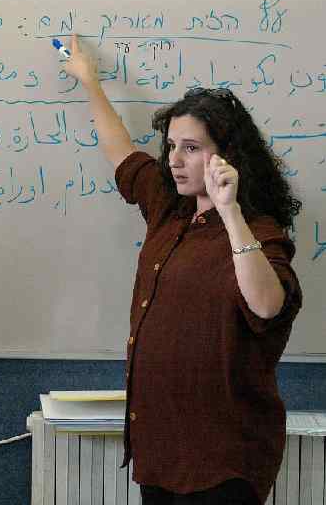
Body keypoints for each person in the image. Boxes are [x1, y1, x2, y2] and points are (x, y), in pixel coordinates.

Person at [64, 36, 302, 505]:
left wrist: (230, 212)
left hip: (223, 461)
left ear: (226, 156)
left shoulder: (258, 230)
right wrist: (90, 81)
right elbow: (121, 153)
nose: (173, 159)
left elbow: (268, 305)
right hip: (161, 450)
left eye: (190, 147)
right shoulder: (168, 209)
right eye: (171, 145)